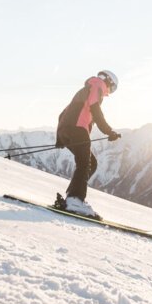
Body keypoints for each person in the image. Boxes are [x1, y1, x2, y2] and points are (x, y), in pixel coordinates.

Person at [53, 70, 122, 218]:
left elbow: (63, 113)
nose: (110, 92)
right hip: (78, 129)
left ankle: (72, 197)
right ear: (108, 82)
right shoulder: (97, 86)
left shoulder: (86, 89)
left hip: (67, 130)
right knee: (84, 164)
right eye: (113, 88)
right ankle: (75, 200)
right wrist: (109, 131)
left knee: (91, 162)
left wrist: (60, 137)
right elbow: (95, 110)